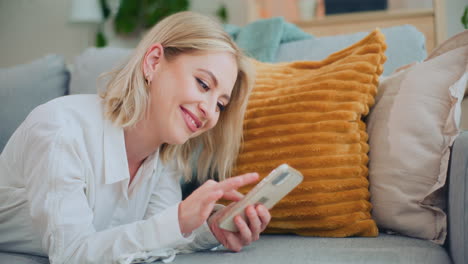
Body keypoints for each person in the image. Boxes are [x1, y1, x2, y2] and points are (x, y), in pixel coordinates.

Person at [0, 11, 271, 263]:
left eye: (220, 105)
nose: (210, 112)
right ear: (153, 62)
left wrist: (211, 228)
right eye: (203, 84)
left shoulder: (163, 156)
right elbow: (72, 252)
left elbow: (154, 235)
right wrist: (176, 219)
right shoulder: (60, 130)